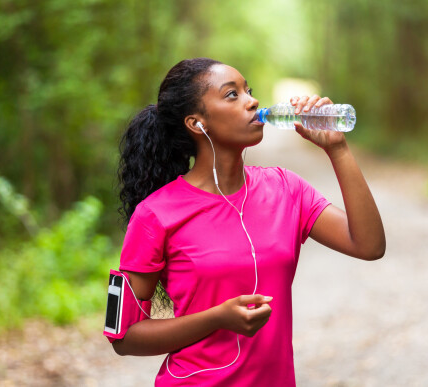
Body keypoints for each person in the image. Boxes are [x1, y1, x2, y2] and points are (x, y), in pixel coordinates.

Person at [112, 57, 385, 386]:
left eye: (249, 90)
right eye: (232, 94)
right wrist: (217, 318)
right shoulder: (155, 215)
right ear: (197, 123)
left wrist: (337, 149)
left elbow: (369, 245)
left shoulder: (286, 188)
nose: (252, 101)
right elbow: (124, 337)